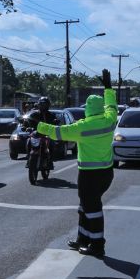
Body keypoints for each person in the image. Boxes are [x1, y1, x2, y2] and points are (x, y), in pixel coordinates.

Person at [36, 69, 117, 258]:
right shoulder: (109, 120)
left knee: (92, 208)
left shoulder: (82, 127)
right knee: (86, 206)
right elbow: (112, 106)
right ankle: (84, 238)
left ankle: (97, 244)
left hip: (90, 174)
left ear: (88, 109)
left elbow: (58, 132)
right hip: (106, 173)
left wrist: (38, 125)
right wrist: (108, 87)